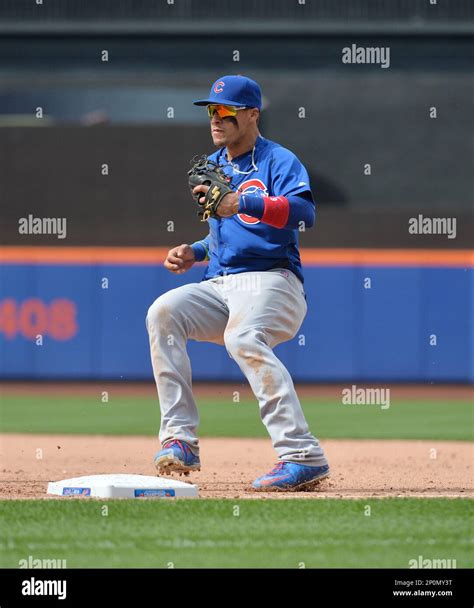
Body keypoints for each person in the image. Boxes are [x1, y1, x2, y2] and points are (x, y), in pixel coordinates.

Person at [146, 75, 329, 491]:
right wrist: (195, 251)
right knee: (162, 313)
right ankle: (180, 441)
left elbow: (305, 215)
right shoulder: (215, 167)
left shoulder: (278, 161)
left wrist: (241, 201)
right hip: (221, 284)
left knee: (243, 337)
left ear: (252, 114)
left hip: (274, 280)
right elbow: (225, 235)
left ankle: (302, 455)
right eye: (212, 110)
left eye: (226, 110)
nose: (216, 117)